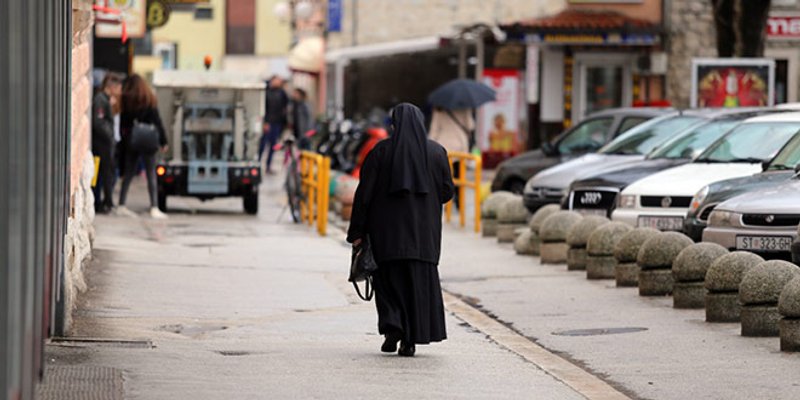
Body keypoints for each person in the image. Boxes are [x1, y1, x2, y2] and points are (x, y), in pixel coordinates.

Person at [346, 103, 455, 357]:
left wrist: (357, 233)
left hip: (386, 236)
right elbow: (447, 192)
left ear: (393, 125)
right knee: (417, 286)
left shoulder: (380, 152)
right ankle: (410, 339)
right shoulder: (437, 153)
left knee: (387, 282)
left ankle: (393, 326)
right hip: (423, 237)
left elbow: (364, 195)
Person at [117, 74, 168, 219]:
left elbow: (123, 124)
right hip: (149, 142)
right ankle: (154, 207)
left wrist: (125, 139)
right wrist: (163, 142)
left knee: (128, 174)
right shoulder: (149, 99)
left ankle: (121, 204)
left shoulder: (126, 100)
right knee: (151, 174)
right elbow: (158, 122)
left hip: (133, 141)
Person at [429, 107, 473, 208]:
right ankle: (459, 203)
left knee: (444, 175)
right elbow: (470, 126)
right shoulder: (465, 108)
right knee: (459, 175)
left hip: (444, 146)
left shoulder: (439, 109)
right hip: (460, 147)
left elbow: (434, 131)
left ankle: (445, 202)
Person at [91, 72, 122, 213]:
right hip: (101, 145)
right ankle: (100, 203)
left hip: (105, 144)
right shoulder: (100, 100)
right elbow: (99, 122)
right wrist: (110, 135)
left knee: (107, 174)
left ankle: (105, 201)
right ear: (112, 87)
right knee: (99, 176)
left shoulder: (106, 100)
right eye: (119, 88)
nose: (120, 92)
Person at [260, 76, 289, 173]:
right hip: (267, 123)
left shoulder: (282, 93)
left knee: (273, 146)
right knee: (262, 145)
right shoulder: (265, 92)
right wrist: (265, 122)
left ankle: (268, 166)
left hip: (277, 123)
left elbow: (286, 107)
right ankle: (258, 165)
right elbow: (263, 108)